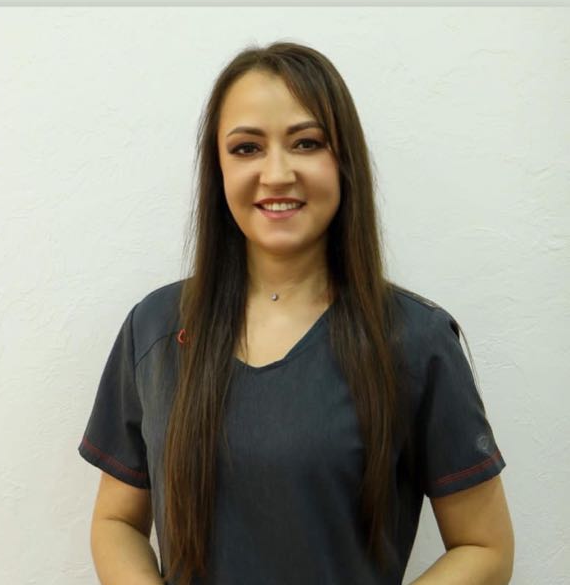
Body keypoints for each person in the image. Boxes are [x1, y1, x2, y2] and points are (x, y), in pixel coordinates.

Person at [78, 41, 514, 585]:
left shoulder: (414, 340)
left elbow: (485, 546)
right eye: (247, 148)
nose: (277, 173)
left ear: (344, 161)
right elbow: (116, 521)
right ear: (217, 168)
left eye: (306, 143)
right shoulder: (156, 328)